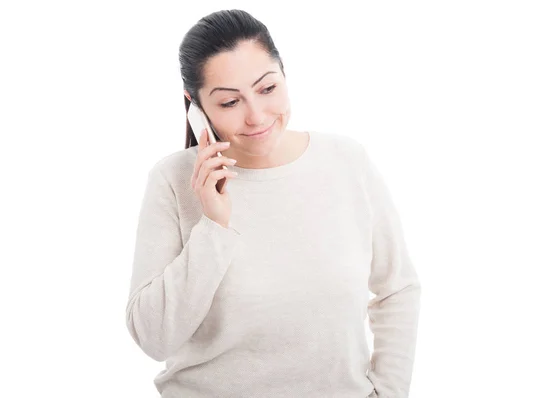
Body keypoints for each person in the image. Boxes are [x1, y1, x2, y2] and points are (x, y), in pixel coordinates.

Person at [125, 9, 421, 398]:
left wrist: (388, 391)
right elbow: (153, 338)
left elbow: (397, 288)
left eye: (267, 89)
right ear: (195, 106)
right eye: (230, 102)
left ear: (284, 74)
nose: (257, 116)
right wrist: (213, 225)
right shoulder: (173, 181)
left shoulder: (346, 161)